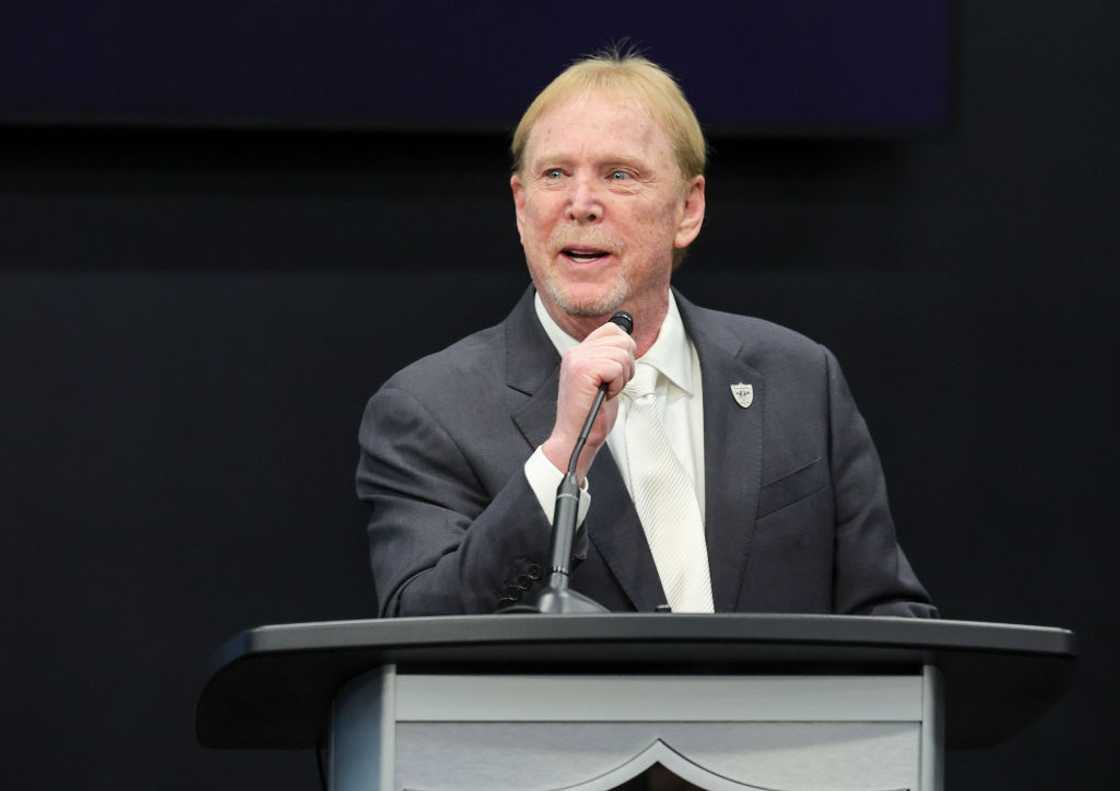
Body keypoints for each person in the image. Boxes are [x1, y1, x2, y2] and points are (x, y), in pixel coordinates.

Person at [356, 51, 936, 618]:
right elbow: (419, 625)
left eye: (619, 175)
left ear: (688, 208)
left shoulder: (799, 380)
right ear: (521, 204)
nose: (580, 204)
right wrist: (561, 458)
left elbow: (886, 614)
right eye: (555, 174)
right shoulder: (430, 409)